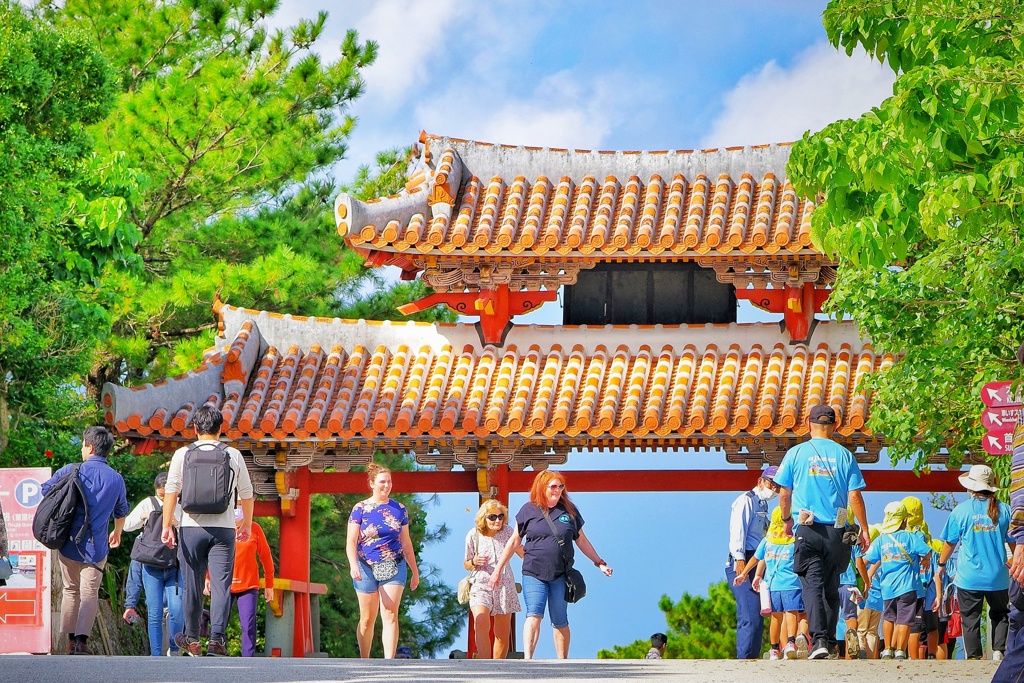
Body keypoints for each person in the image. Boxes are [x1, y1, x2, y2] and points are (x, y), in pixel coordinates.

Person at [774, 404, 870, 660]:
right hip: (837, 531)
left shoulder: (796, 454)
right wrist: (865, 531)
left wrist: (786, 519)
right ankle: (828, 639)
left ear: (808, 423)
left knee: (811, 585)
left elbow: (784, 492)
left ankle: (818, 641)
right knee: (830, 585)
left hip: (807, 529)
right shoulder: (845, 455)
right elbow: (855, 496)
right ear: (835, 426)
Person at [161, 405, 254, 657]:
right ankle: (217, 640)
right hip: (223, 529)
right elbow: (246, 493)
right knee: (222, 585)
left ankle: (192, 638)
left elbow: (171, 490)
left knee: (192, 584)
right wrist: (245, 524)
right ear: (221, 429)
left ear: (195, 428)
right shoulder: (233, 455)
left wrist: (167, 525)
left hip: (191, 528)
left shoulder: (182, 454)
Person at [489, 470, 613, 659]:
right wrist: (497, 570)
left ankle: (562, 663)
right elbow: (514, 541)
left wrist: (599, 562)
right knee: (534, 615)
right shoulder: (528, 510)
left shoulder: (569, 511)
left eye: (560, 486)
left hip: (560, 574)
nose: (557, 490)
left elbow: (582, 541)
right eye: (553, 486)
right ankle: (528, 660)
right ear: (542, 488)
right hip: (533, 572)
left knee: (560, 620)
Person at [42, 426, 129, 655]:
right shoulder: (116, 479)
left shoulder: (71, 470)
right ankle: (82, 642)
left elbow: (45, 490)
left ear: (89, 447)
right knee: (90, 593)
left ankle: (69, 642)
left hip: (68, 543)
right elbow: (121, 511)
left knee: (71, 590)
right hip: (96, 546)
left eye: (83, 444)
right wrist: (117, 532)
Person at [938, 464, 1012, 660]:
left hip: (969, 577)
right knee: (1001, 613)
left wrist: (941, 564)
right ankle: (998, 651)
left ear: (970, 486)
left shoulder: (961, 511)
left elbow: (949, 543)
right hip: (998, 576)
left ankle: (973, 656)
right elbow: (1014, 543)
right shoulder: (1005, 510)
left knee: (970, 618)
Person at [346, 462, 420, 658]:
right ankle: (365, 659)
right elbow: (351, 541)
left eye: (389, 482)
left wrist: (415, 571)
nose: (386, 485)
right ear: (371, 483)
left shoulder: (399, 509)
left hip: (394, 564)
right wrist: (353, 565)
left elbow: (406, 542)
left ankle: (389, 661)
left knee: (389, 613)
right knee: (367, 619)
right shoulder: (360, 508)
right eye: (382, 482)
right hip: (365, 565)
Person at [122, 472, 183, 656]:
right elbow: (126, 526)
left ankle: (174, 647)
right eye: (163, 491)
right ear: (158, 490)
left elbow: (189, 530)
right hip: (151, 564)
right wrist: (143, 516)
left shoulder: (180, 506)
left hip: (174, 563)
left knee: (176, 609)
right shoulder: (148, 503)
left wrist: (175, 522)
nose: (166, 494)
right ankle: (156, 655)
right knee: (155, 612)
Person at [736, 507, 805, 660]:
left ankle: (774, 649)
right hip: (792, 584)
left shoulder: (767, 540)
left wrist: (744, 573)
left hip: (773, 585)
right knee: (791, 614)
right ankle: (790, 643)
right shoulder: (794, 540)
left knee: (776, 618)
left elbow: (756, 558)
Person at [725, 465, 779, 659]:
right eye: (771, 483)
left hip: (758, 561)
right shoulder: (745, 501)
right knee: (750, 615)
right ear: (760, 481)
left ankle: (752, 656)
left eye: (777, 486)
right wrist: (739, 560)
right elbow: (737, 532)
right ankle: (744, 658)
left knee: (759, 613)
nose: (774, 489)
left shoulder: (763, 505)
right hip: (744, 560)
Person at [865, 501, 930, 660]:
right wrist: (926, 561)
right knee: (904, 619)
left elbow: (866, 560)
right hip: (907, 586)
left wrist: (863, 577)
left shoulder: (881, 539)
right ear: (904, 520)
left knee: (888, 617)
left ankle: (887, 649)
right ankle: (900, 649)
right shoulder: (910, 537)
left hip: (887, 587)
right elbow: (927, 551)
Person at [463, 499, 521, 659]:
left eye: (501, 516)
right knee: (481, 622)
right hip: (480, 583)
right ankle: (485, 665)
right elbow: (466, 563)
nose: (498, 520)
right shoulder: (473, 535)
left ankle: (497, 668)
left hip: (504, 584)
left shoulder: (508, 532)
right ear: (484, 518)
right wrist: (474, 561)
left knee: (502, 633)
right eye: (493, 517)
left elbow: (522, 552)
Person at [228, 507, 275, 657]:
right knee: (219, 621)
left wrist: (269, 584)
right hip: (224, 583)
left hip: (248, 584)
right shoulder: (222, 526)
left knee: (248, 623)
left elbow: (266, 557)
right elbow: (210, 555)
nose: (238, 508)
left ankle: (248, 659)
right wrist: (208, 578)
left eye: (241, 504)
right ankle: (217, 654)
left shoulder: (254, 528)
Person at [857, 524, 884, 659]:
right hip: (879, 600)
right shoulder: (883, 556)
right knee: (872, 632)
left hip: (865, 597)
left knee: (861, 630)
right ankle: (869, 658)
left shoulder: (862, 557)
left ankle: (861, 653)